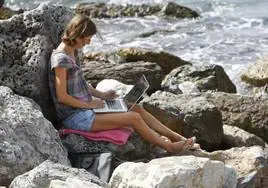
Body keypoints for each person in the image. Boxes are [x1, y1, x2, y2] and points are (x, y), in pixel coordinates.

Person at [48, 14, 199, 153]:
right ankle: (169, 147)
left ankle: (176, 137)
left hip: (86, 109)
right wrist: (90, 105)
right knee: (133, 118)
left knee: (136, 107)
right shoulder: (61, 60)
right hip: (75, 117)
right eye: (87, 38)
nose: (89, 41)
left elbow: (79, 83)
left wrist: (102, 95)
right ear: (77, 35)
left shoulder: (73, 52)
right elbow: (62, 97)